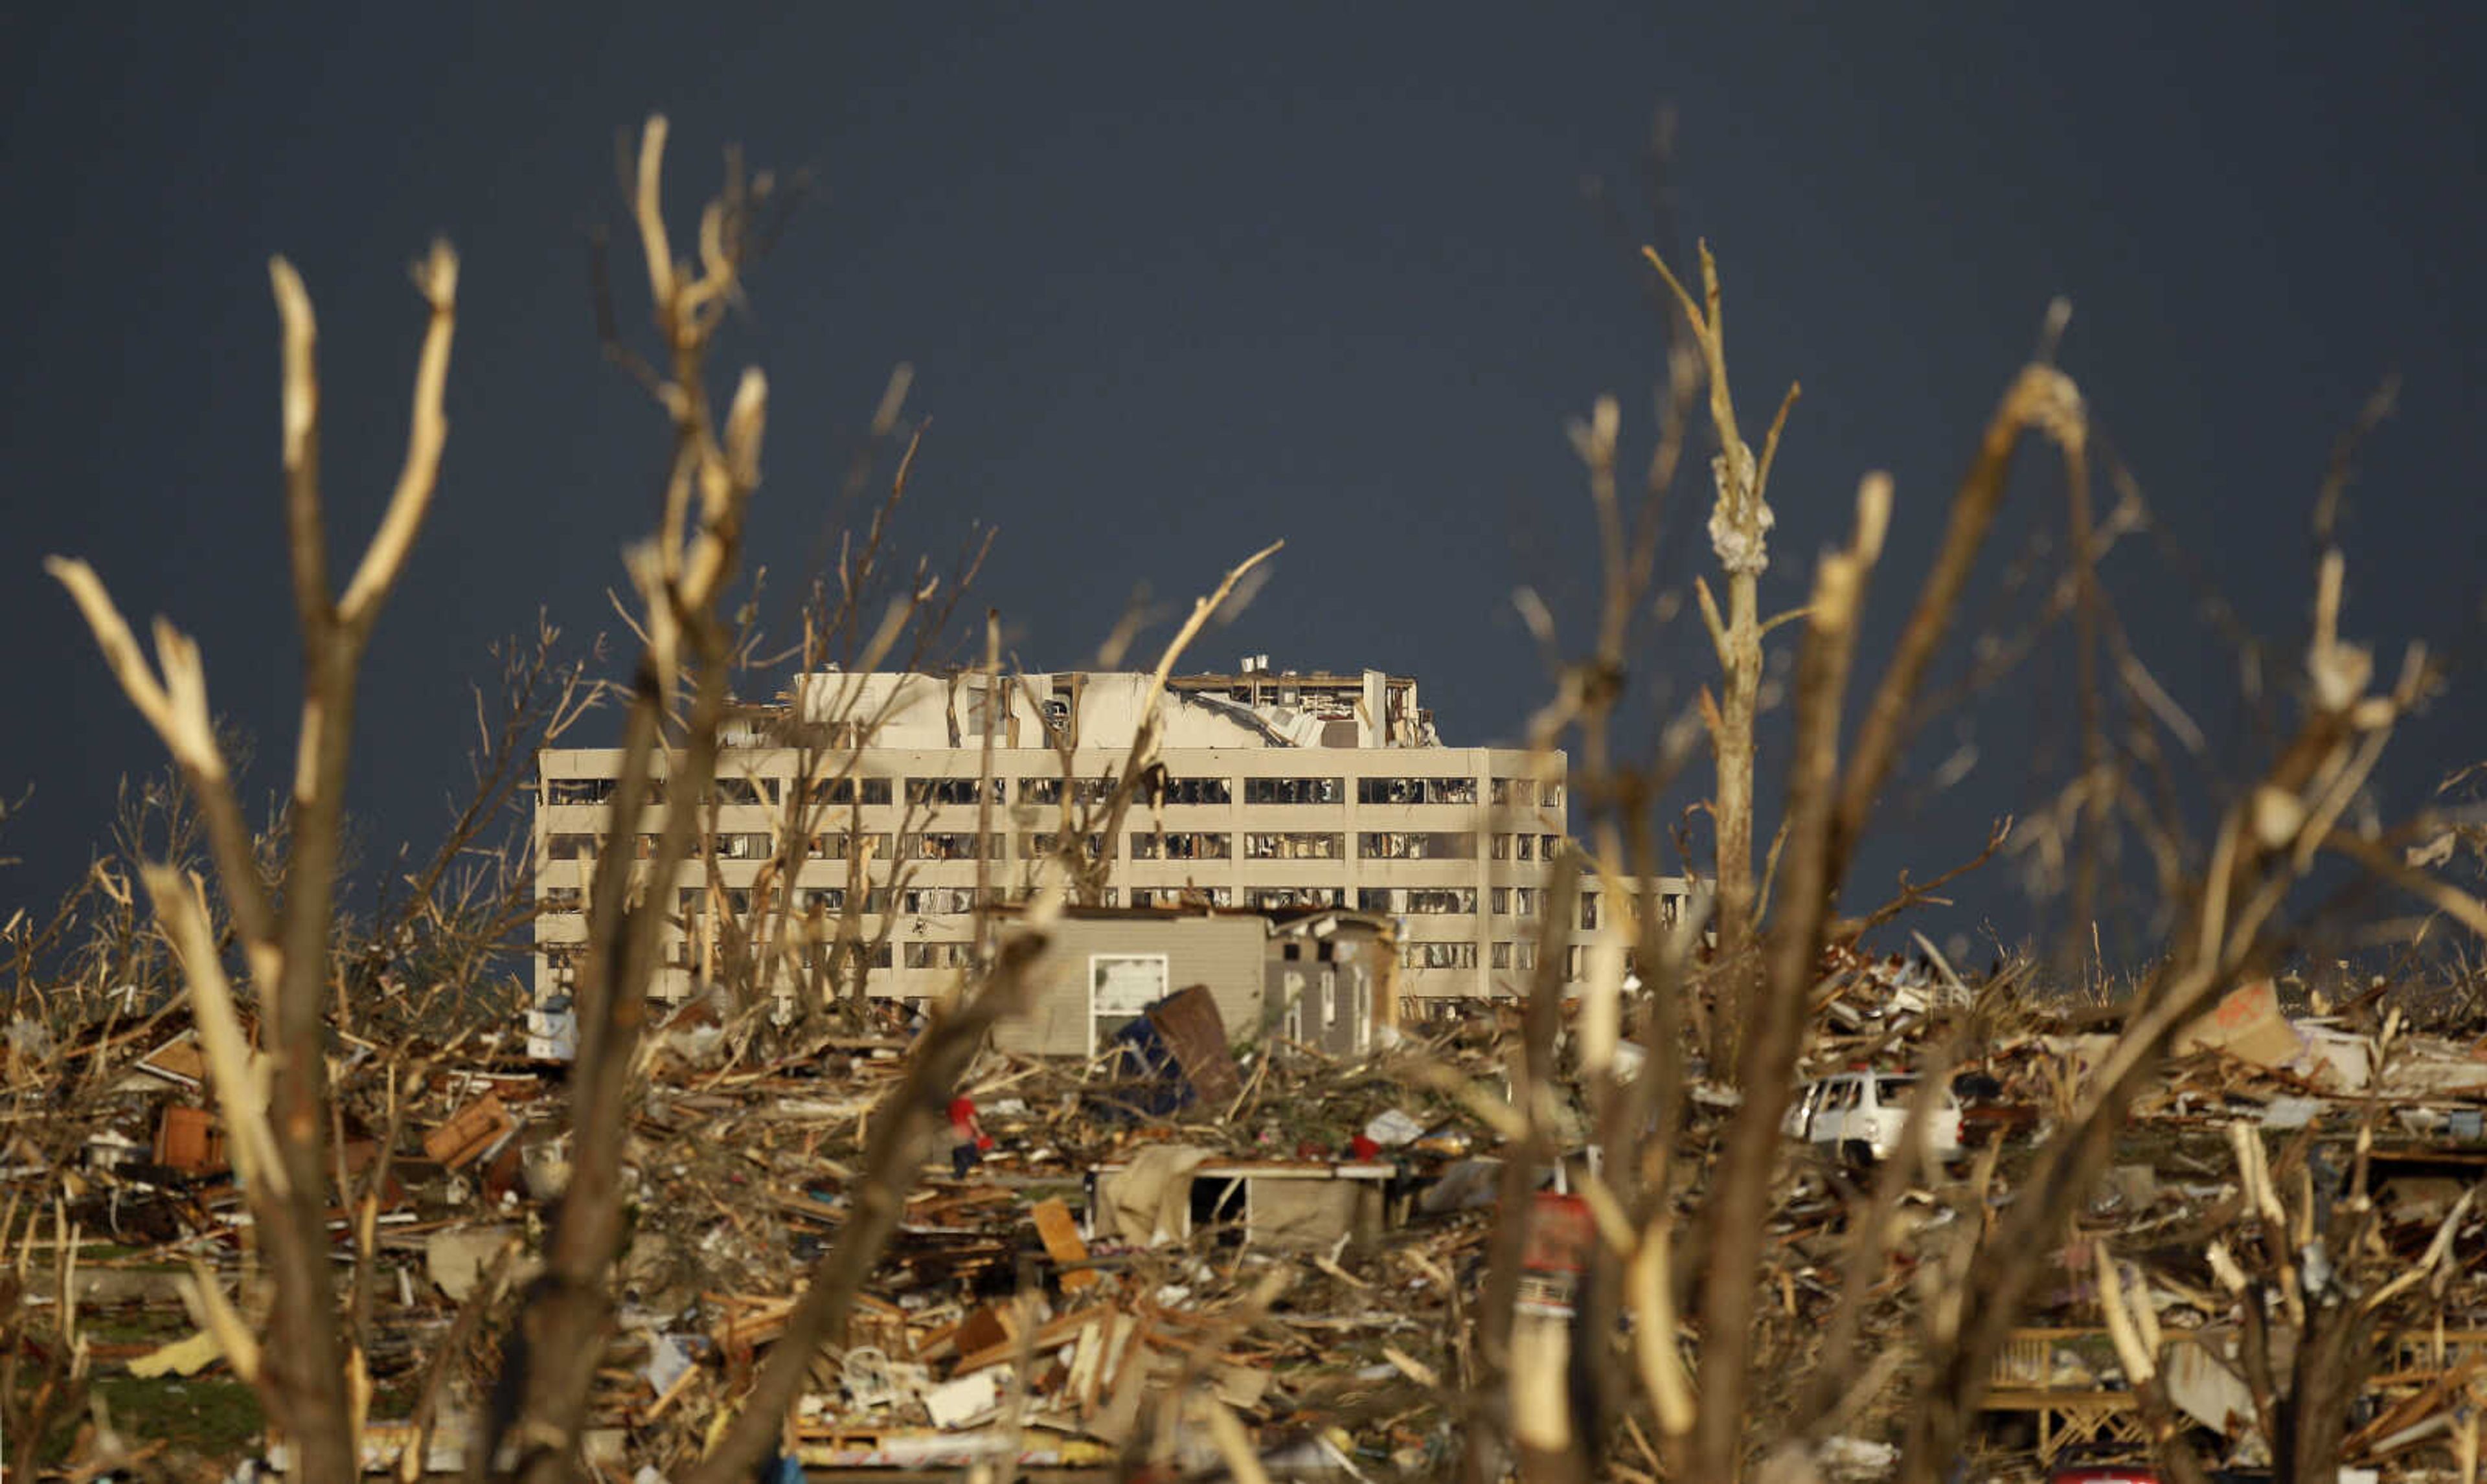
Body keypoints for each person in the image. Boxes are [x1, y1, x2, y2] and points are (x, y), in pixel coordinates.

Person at [948, 1094, 986, 1179]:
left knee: (960, 1156)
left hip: (956, 1133)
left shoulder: (952, 1104)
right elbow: (971, 1118)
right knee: (969, 1157)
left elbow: (950, 1117)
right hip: (966, 1133)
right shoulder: (966, 1103)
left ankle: (958, 1175)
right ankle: (960, 1176)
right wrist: (979, 1131)